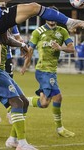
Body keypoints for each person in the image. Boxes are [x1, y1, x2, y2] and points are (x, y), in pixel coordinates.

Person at [21, 8, 76, 138]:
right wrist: (25, 65)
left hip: (52, 71)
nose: (51, 19)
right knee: (58, 97)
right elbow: (30, 50)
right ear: (45, 17)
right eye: (49, 16)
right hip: (43, 71)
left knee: (44, 103)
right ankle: (60, 128)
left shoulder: (62, 31)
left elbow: (72, 49)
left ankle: (22, 101)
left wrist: (60, 47)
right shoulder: (38, 32)